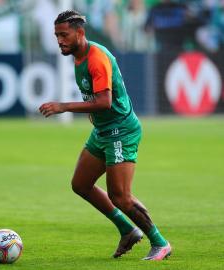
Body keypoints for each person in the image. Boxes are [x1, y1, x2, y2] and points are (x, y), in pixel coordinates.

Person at [39, 10, 172, 261]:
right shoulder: (78, 56)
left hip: (121, 130)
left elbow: (104, 101)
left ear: (80, 33)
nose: (59, 40)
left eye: (64, 35)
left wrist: (63, 106)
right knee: (80, 184)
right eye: (57, 35)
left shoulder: (96, 58)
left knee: (120, 196)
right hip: (103, 130)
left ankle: (160, 243)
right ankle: (127, 230)